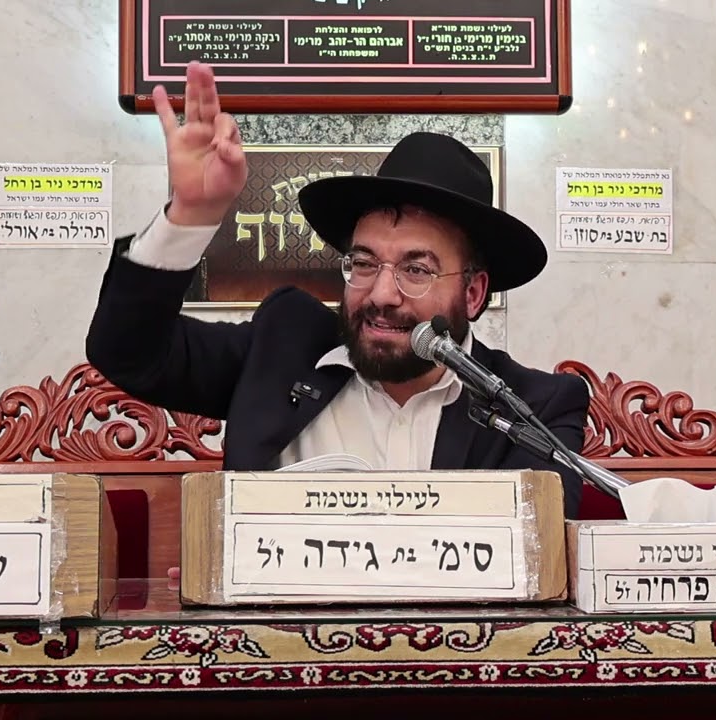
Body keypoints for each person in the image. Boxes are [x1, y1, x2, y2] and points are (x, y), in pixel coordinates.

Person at [86, 62, 590, 518]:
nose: (382, 294)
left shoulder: (536, 409)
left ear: (474, 294)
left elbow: (533, 549)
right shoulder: (282, 349)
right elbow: (127, 351)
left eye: (416, 270)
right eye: (365, 263)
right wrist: (191, 214)